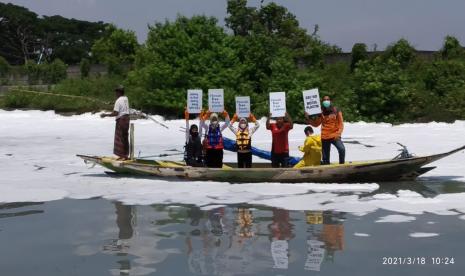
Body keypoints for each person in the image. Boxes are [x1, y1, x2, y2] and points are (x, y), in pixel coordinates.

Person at [306, 95, 345, 165]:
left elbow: (341, 123)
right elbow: (316, 124)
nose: (326, 101)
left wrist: (338, 134)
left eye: (327, 99)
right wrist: (308, 118)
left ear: (330, 101)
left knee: (342, 149)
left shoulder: (336, 110)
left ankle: (342, 165)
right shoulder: (320, 112)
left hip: (335, 135)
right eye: (324, 100)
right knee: (325, 159)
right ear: (322, 102)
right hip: (324, 137)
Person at [101, 85, 130, 160]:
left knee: (120, 138)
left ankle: (122, 156)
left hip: (121, 120)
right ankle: (125, 155)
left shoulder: (118, 101)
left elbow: (115, 113)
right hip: (127, 119)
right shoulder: (125, 98)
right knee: (124, 137)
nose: (115, 93)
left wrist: (105, 115)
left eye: (116, 92)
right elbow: (121, 105)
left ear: (119, 92)